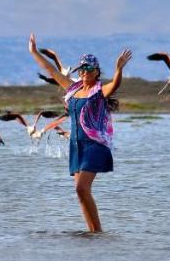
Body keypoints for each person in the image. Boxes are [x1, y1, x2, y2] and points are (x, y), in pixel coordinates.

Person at [29, 33, 131, 233]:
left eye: (89, 68)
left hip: (94, 145)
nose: (85, 72)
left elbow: (115, 85)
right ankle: (93, 233)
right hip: (76, 145)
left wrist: (118, 70)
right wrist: (33, 51)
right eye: (82, 68)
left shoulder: (99, 91)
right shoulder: (73, 89)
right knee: (81, 194)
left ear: (96, 72)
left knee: (81, 188)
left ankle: (98, 231)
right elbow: (50, 69)